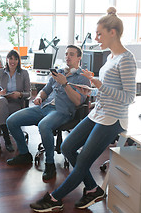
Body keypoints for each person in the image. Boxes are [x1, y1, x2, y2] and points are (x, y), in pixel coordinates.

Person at [30, 7, 137, 212]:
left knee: (83, 161)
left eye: (99, 33)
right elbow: (108, 90)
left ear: (112, 32)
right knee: (68, 147)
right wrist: (90, 88)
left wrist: (99, 86)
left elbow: (129, 98)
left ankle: (55, 198)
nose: (96, 37)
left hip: (113, 118)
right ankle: (92, 189)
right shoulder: (110, 57)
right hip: (99, 112)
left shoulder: (126, 59)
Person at [6, 45, 91, 181]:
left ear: (79, 58)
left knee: (44, 126)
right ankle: (24, 154)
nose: (67, 57)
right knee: (11, 121)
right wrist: (39, 97)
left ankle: (50, 164)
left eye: (72, 54)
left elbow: (77, 102)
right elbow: (45, 90)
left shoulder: (82, 78)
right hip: (44, 107)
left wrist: (65, 84)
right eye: (66, 54)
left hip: (62, 111)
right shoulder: (59, 72)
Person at [0, 50, 31, 158]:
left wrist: (20, 94)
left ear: (18, 61)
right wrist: (0, 93)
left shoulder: (24, 73)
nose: (13, 61)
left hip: (15, 103)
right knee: (0, 101)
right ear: (6, 59)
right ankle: (6, 138)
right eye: (10, 58)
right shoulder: (0, 73)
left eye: (15, 59)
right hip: (1, 101)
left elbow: (28, 93)